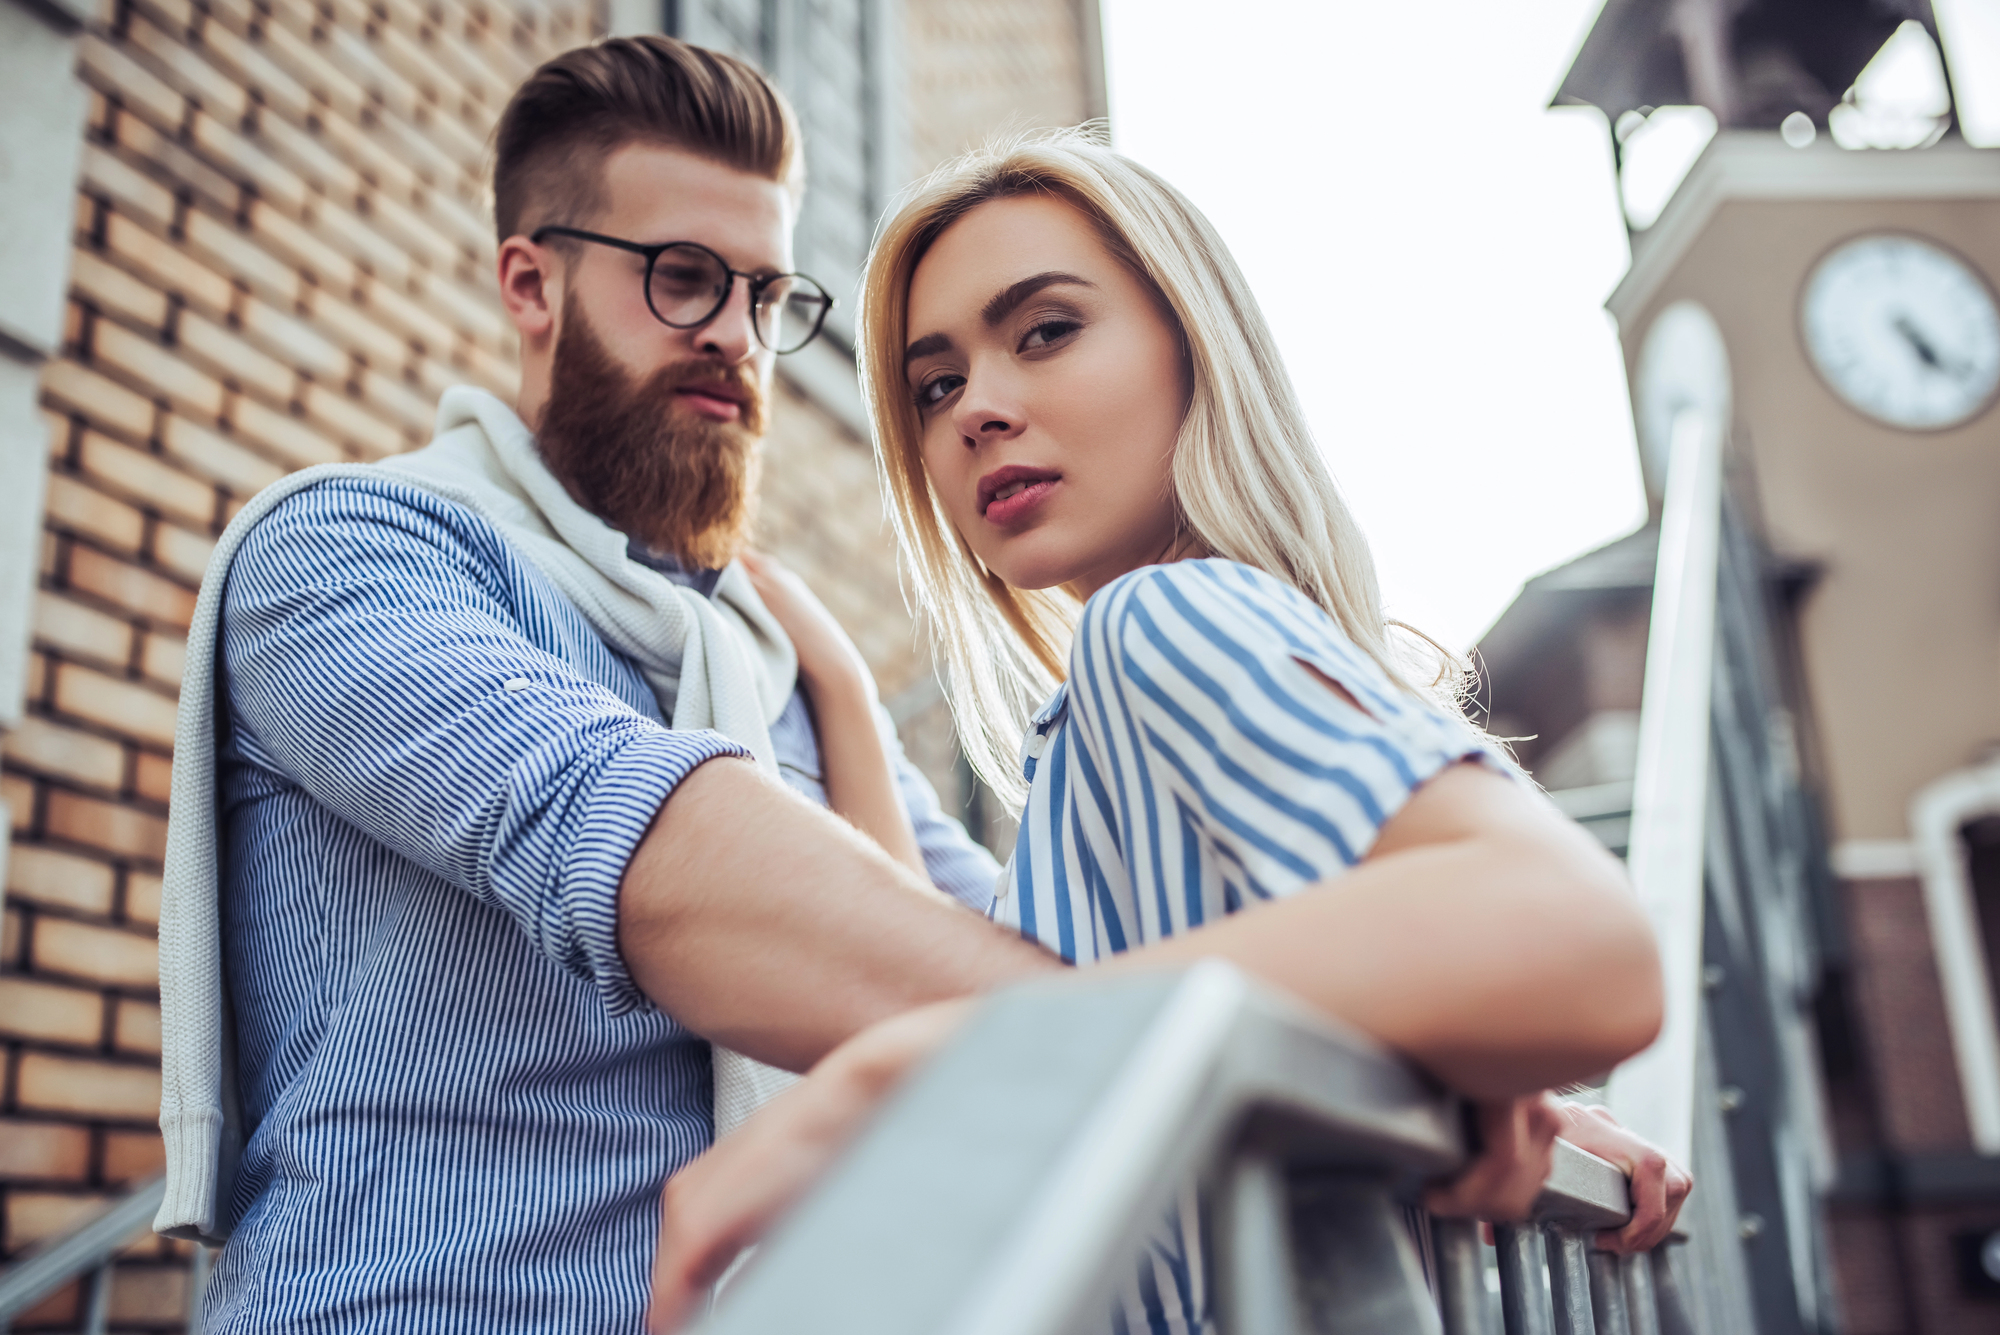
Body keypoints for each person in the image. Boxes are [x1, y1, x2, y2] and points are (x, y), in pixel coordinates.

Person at [647, 131, 1692, 1333]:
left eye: (1044, 331)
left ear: (1192, 349)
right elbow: (974, 958)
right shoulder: (1114, 726)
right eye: (934, 386)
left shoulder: (1163, 618)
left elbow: (1570, 937)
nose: (978, 410)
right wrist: (836, 685)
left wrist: (954, 1059)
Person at [156, 37, 1068, 1332]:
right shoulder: (347, 553)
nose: (737, 339)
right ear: (531, 283)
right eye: (684, 279)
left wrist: (853, 699)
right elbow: (651, 845)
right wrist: (1134, 1041)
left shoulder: (773, 660)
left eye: (766, 295)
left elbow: (1000, 928)